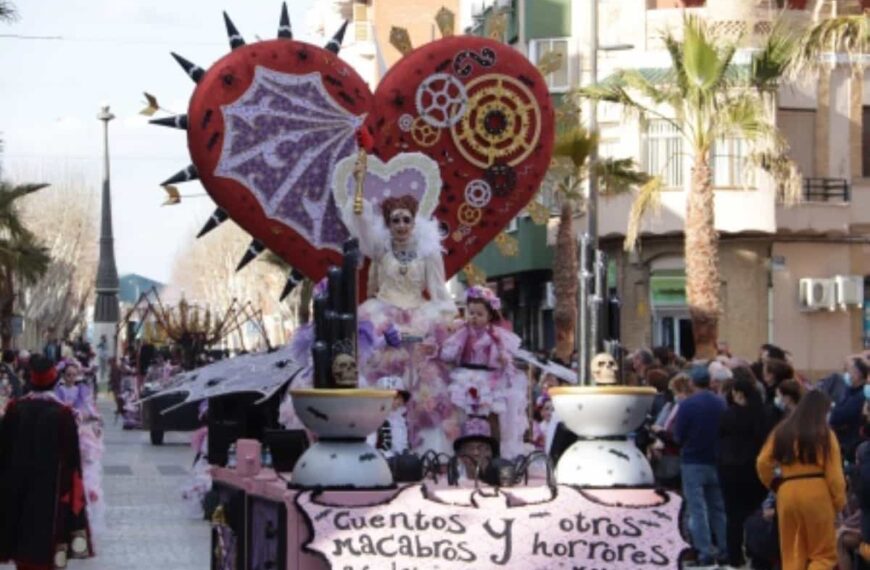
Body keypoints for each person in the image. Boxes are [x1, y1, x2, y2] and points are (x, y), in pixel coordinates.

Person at [0, 355, 93, 569]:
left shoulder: (15, 409)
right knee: (48, 546)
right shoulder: (63, 414)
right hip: (51, 491)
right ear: (55, 381)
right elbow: (72, 462)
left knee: (21, 540)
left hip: (18, 489)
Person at [757, 390, 846, 570]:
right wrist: (838, 503)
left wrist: (774, 484)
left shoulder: (781, 431)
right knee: (822, 553)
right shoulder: (825, 434)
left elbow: (762, 462)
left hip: (787, 492)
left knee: (793, 551)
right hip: (816, 491)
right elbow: (835, 475)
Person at [437, 286, 527, 458]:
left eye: (479, 314)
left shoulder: (496, 336)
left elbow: (503, 359)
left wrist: (501, 359)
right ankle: (461, 455)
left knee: (493, 414)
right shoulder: (462, 332)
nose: (474, 318)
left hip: (489, 379)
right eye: (471, 313)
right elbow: (447, 354)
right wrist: (454, 348)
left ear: (489, 316)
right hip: (464, 377)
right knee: (462, 416)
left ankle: (494, 455)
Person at [673, 364, 728, 566]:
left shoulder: (687, 405)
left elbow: (678, 435)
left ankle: (704, 551)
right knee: (718, 508)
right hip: (715, 460)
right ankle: (724, 548)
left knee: (697, 509)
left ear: (692, 382)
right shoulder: (721, 403)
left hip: (693, 461)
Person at [718, 376, 770, 567]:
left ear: (737, 393)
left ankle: (734, 556)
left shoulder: (728, 415)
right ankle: (757, 553)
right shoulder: (761, 415)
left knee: (733, 517)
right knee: (756, 513)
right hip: (754, 470)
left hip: (730, 470)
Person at [830, 357, 870, 464]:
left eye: (850, 371)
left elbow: (838, 417)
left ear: (858, 374)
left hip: (851, 444)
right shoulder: (851, 392)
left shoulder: (859, 397)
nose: (848, 375)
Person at [366, 376, 411, 458]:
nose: (398, 401)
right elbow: (369, 446)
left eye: (400, 398)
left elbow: (401, 444)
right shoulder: (373, 420)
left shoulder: (399, 420)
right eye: (394, 397)